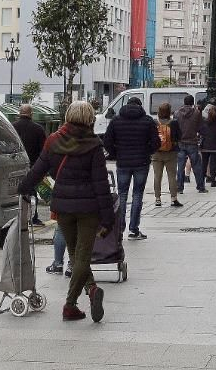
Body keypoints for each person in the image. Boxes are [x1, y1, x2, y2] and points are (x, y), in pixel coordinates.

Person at [17, 101, 112, 323]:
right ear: (89, 118)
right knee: (82, 256)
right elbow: (101, 185)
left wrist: (24, 189)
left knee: (75, 254)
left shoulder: (53, 141)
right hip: (89, 210)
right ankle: (70, 304)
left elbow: (38, 170)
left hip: (64, 208)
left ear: (68, 115)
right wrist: (108, 217)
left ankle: (91, 290)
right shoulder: (94, 145)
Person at [101, 97, 160, 240]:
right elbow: (156, 142)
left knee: (122, 194)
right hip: (141, 162)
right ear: (140, 106)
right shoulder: (147, 121)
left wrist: (116, 154)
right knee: (137, 195)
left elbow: (107, 141)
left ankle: (119, 230)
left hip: (123, 163)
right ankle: (134, 230)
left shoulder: (116, 120)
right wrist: (147, 152)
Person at [12, 105, 49, 226]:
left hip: (15, 165)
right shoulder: (38, 129)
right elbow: (44, 150)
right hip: (34, 166)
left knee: (17, 192)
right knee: (32, 192)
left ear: (19, 113)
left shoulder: (12, 127)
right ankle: (33, 216)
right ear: (31, 114)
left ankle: (18, 216)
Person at [151, 102, 182, 208]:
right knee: (172, 176)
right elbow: (179, 137)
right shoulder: (174, 123)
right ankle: (173, 198)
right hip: (171, 153)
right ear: (169, 112)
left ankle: (157, 199)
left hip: (157, 153)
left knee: (157, 176)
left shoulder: (154, 122)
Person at [174, 94, 206, 193]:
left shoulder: (177, 113)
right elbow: (201, 127)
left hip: (180, 142)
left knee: (180, 166)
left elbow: (174, 127)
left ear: (184, 102)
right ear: (192, 103)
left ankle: (179, 187)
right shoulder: (197, 113)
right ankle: (200, 187)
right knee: (196, 165)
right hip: (192, 141)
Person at [200, 104, 216, 188]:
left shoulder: (204, 122)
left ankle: (201, 182)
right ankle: (213, 181)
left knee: (204, 163)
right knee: (213, 163)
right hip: (215, 145)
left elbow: (201, 132)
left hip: (205, 145)